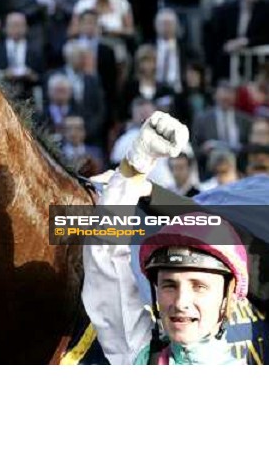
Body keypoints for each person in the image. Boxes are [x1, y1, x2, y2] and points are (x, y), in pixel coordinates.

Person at [83, 111, 250, 365]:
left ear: (227, 300)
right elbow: (104, 258)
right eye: (169, 285)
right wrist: (136, 163)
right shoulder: (141, 358)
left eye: (199, 286)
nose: (181, 302)